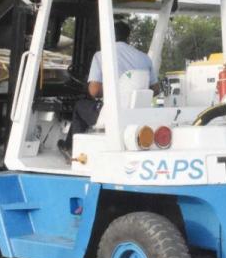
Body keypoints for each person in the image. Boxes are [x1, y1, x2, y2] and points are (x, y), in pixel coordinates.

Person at [58, 20, 159, 158]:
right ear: (128, 37)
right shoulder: (144, 58)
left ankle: (72, 150)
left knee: (80, 106)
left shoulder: (101, 55)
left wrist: (110, 90)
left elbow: (94, 91)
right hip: (136, 115)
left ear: (109, 35)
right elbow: (155, 90)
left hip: (111, 115)